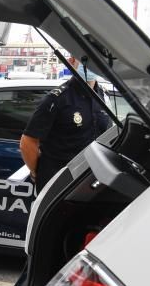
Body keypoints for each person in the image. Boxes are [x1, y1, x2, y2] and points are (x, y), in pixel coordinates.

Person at [21, 56, 112, 190]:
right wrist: (35, 172)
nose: (91, 66)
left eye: (95, 61)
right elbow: (27, 141)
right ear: (71, 61)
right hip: (60, 182)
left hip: (92, 179)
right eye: (85, 60)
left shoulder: (103, 95)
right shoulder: (56, 99)